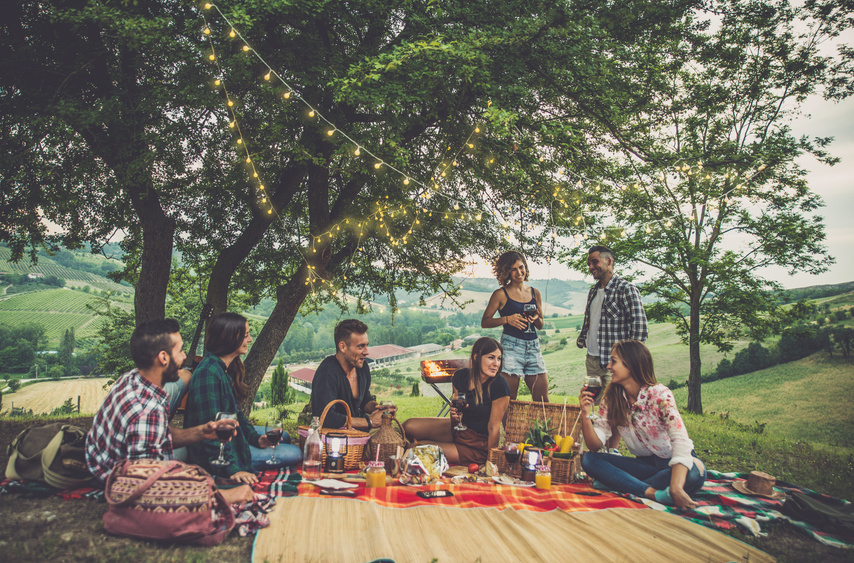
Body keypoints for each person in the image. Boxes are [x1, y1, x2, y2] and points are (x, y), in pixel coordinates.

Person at [84, 319, 253, 504]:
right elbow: (143, 488)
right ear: (164, 357)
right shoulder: (146, 412)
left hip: (99, 459)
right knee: (195, 473)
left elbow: (160, 434)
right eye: (180, 350)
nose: (185, 356)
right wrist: (222, 497)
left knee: (191, 464)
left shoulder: (134, 379)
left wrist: (202, 432)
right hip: (113, 477)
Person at [579, 340, 705, 509]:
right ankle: (652, 493)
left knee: (695, 474)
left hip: (672, 465)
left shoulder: (660, 395)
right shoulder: (611, 398)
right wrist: (586, 414)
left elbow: (681, 441)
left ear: (630, 365)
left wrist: (675, 487)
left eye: (613, 361)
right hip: (643, 466)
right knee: (589, 460)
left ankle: (620, 482)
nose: (608, 366)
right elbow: (595, 446)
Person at [184, 312, 301, 482]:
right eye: (246, 335)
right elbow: (210, 433)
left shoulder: (224, 369)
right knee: (296, 453)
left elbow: (237, 414)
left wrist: (257, 439)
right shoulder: (208, 374)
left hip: (232, 436)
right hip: (214, 453)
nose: (250, 339)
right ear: (229, 337)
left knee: (285, 436)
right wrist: (231, 470)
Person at [576, 245, 648, 452]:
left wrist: (628, 362)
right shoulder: (593, 292)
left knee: (616, 406)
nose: (591, 267)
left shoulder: (626, 289)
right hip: (593, 358)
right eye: (589, 263)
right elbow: (590, 319)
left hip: (615, 362)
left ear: (609, 261)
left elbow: (640, 328)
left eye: (595, 262)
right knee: (594, 404)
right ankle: (596, 448)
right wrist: (583, 338)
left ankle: (611, 451)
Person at [402, 337, 511, 465]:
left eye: (499, 358)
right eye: (491, 357)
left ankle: (441, 451)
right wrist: (454, 415)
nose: (496, 363)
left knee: (413, 449)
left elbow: (493, 428)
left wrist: (490, 462)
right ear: (476, 357)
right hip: (458, 431)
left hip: (477, 444)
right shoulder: (460, 377)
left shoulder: (499, 385)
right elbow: (456, 420)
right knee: (407, 426)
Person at [481, 250, 548, 402]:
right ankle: (511, 427)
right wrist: (507, 319)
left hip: (533, 348)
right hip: (511, 347)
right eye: (513, 269)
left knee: (543, 400)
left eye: (521, 267)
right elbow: (485, 322)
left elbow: (541, 325)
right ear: (506, 272)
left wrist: (536, 318)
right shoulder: (500, 294)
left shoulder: (534, 293)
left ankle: (541, 427)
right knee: (509, 400)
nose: (519, 272)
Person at [310, 319, 391, 431]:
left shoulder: (362, 367)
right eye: (360, 346)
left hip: (358, 433)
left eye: (367, 345)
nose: (366, 352)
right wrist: (369, 422)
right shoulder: (327, 372)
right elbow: (325, 417)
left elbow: (363, 400)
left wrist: (379, 409)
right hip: (336, 439)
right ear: (343, 347)